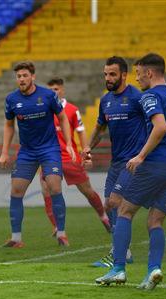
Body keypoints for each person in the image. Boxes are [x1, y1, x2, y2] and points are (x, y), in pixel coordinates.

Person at [95, 53, 166, 290]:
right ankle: (154, 269)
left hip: (156, 164)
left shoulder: (150, 95)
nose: (137, 79)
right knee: (155, 221)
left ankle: (118, 269)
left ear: (149, 72)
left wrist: (141, 156)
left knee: (124, 211)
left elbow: (160, 127)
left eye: (138, 74)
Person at [0, 62, 76, 248]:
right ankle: (16, 239)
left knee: (54, 187)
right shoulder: (11, 100)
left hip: (49, 149)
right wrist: (4, 152)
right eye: (19, 76)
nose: (22, 79)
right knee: (16, 192)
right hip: (27, 151)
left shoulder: (48, 95)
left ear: (32, 76)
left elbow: (63, 118)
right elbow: (9, 125)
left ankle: (62, 233)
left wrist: (68, 144)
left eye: (25, 75)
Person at [85, 56, 145, 268]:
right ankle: (124, 251)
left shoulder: (138, 98)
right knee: (108, 204)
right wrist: (87, 148)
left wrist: (145, 155)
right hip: (117, 162)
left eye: (112, 74)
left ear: (124, 75)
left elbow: (155, 125)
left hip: (134, 161)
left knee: (115, 202)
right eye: (105, 74)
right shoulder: (106, 101)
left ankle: (117, 253)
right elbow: (100, 128)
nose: (108, 78)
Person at [40, 78, 110, 235]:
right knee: (45, 189)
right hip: (49, 158)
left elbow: (81, 131)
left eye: (56, 89)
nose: (53, 92)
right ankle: (57, 226)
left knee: (87, 190)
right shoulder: (43, 110)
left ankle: (103, 216)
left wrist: (86, 153)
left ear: (62, 90)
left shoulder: (71, 109)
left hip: (69, 157)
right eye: (50, 90)